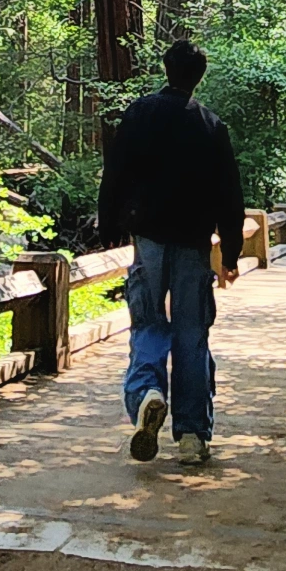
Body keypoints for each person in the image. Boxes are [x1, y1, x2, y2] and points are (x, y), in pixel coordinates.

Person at [97, 38, 245, 466]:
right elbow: (229, 196)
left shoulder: (139, 113)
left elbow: (115, 173)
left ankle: (148, 393)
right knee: (191, 334)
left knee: (148, 324)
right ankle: (193, 435)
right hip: (193, 244)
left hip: (148, 239)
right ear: (199, 77)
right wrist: (230, 253)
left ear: (166, 68)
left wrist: (110, 226)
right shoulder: (210, 125)